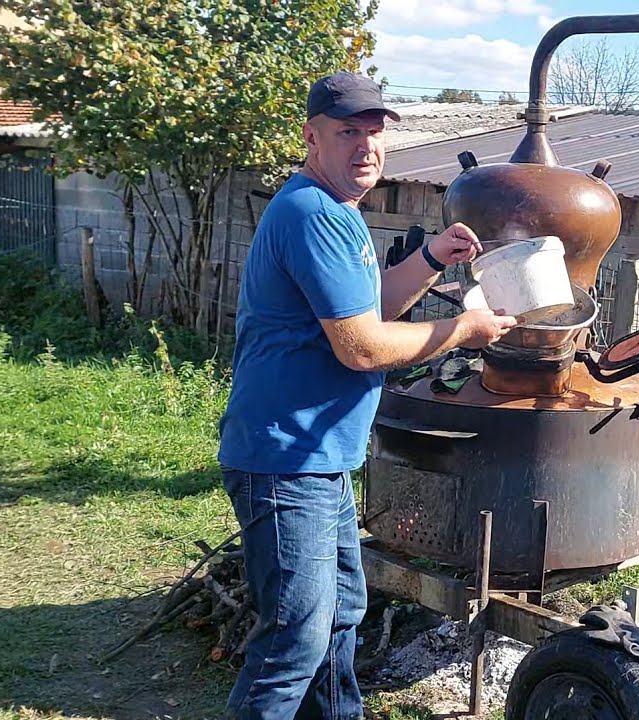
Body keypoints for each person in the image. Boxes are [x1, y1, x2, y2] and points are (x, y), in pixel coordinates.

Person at [216, 71, 517, 719]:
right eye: (347, 131)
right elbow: (360, 348)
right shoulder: (309, 213)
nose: (365, 146)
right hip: (282, 458)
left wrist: (432, 256)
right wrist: (465, 328)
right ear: (311, 138)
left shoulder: (339, 212)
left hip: (319, 460)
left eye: (374, 132)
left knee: (341, 617)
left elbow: (369, 309)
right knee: (295, 637)